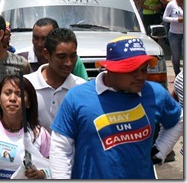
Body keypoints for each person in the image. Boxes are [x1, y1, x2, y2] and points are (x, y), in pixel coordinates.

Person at [50, 36, 183, 179]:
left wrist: (160, 150)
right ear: (111, 69)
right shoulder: (77, 98)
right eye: (132, 71)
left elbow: (178, 119)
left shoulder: (155, 93)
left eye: (144, 70)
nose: (140, 77)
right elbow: (61, 148)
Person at [0, 75, 51, 179]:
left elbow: (54, 170)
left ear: (29, 103)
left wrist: (41, 174)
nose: (12, 99)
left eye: (19, 94)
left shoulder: (40, 134)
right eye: (7, 93)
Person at [24, 28, 86, 132]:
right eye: (61, 57)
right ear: (46, 54)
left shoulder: (82, 88)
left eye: (73, 56)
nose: (69, 63)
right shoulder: (26, 84)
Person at [18, 18, 88, 80]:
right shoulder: (20, 60)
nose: (39, 44)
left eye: (44, 39)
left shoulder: (73, 61)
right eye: (36, 38)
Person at [162, 0, 183, 76]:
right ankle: (177, 73)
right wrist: (176, 20)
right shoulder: (171, 4)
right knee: (176, 56)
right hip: (174, 34)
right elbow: (165, 18)